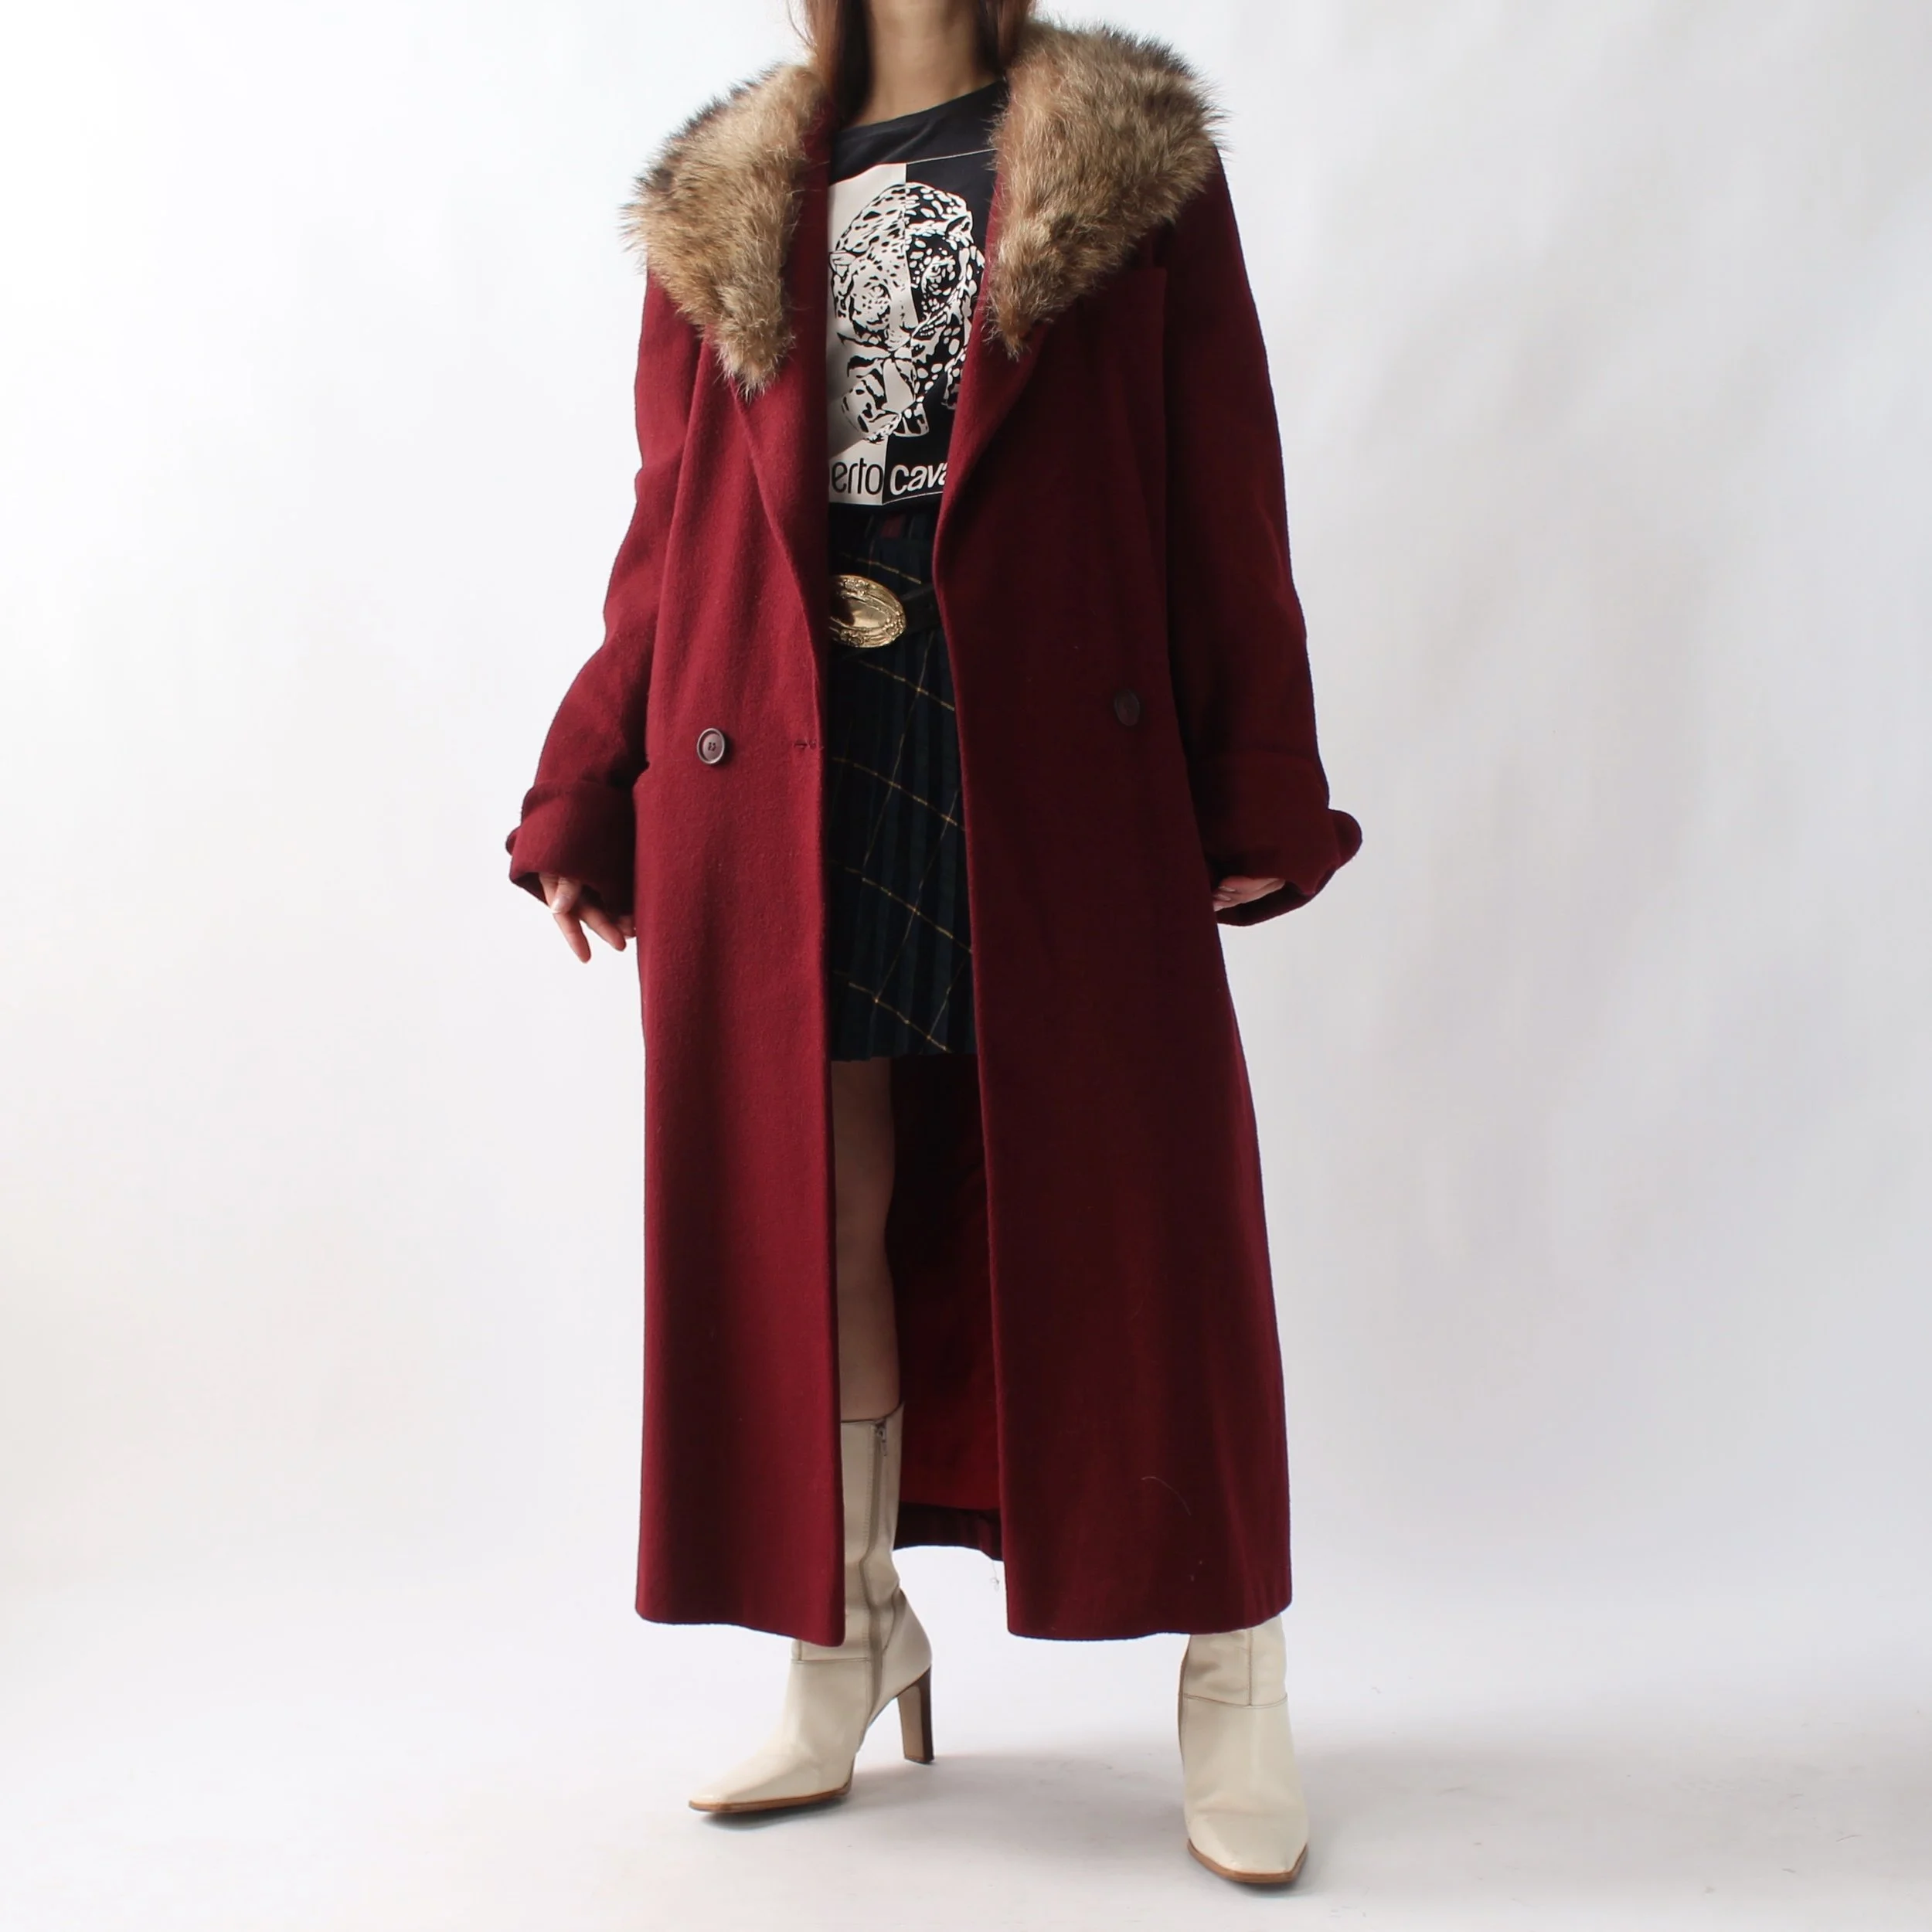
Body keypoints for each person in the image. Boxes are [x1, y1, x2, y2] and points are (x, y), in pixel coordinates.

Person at [505, 0, 1360, 1886]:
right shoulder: (730, 190)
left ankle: (1235, 1677)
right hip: (781, 747)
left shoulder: (1130, 161)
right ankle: (842, 1634)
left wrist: (1255, 781)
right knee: (818, 1207)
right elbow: (671, 525)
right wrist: (584, 786)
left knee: (1149, 1219)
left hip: (1051, 742)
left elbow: (1222, 489)